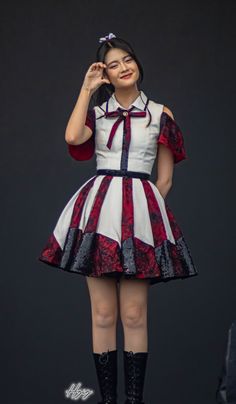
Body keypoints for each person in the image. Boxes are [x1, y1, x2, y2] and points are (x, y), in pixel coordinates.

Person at [38, 32, 198, 404]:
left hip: (141, 214)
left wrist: (144, 213)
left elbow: (166, 178)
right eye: (113, 65)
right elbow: (73, 135)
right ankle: (107, 400)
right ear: (105, 76)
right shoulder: (97, 112)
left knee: (134, 313)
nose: (123, 67)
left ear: (137, 64)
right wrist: (85, 88)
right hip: (99, 214)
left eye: (127, 60)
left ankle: (133, 401)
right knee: (104, 314)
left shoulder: (161, 113)